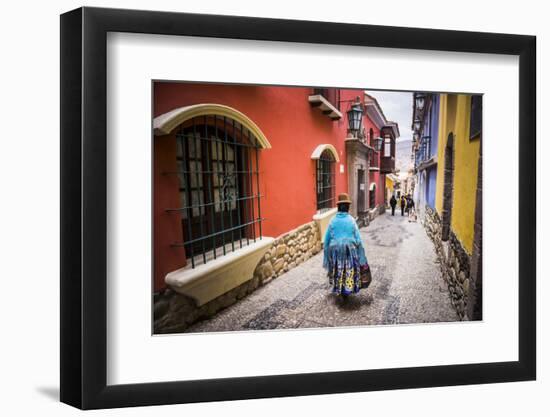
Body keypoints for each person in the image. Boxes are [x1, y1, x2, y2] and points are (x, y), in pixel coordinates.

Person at [323, 193, 368, 297]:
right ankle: (347, 289)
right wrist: (361, 256)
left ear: (338, 207)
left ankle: (339, 288)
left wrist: (327, 257)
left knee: (338, 270)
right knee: (349, 270)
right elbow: (359, 240)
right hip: (350, 251)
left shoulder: (332, 221)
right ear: (348, 207)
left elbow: (326, 240)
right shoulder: (352, 221)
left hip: (336, 251)